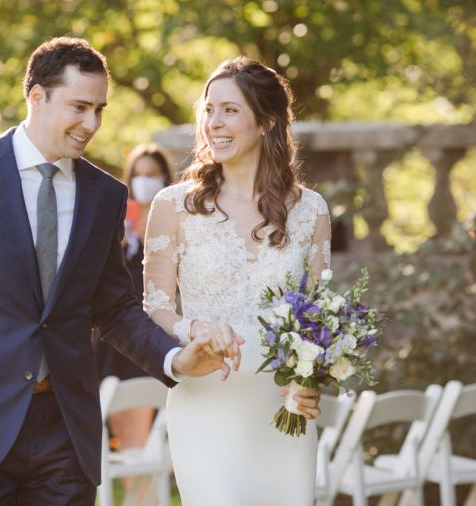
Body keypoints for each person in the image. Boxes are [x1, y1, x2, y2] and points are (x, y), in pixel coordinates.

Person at [0, 37, 238, 505]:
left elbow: (115, 308)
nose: (92, 124)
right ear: (36, 97)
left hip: (66, 431)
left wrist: (173, 358)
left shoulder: (105, 195)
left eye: (99, 110)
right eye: (79, 107)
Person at [144, 56, 330, 505]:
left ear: (266, 122)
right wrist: (196, 328)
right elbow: (155, 307)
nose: (214, 123)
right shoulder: (173, 206)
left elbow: (319, 317)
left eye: (230, 110)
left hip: (283, 409)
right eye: (209, 110)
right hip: (205, 400)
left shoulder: (311, 210)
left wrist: (312, 379)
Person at [95, 143, 172, 456]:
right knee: (120, 439)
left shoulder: (173, 219)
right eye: (138, 175)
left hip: (152, 334)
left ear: (164, 177)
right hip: (116, 339)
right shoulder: (118, 220)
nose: (144, 181)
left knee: (141, 441)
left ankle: (140, 486)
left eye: (151, 174)